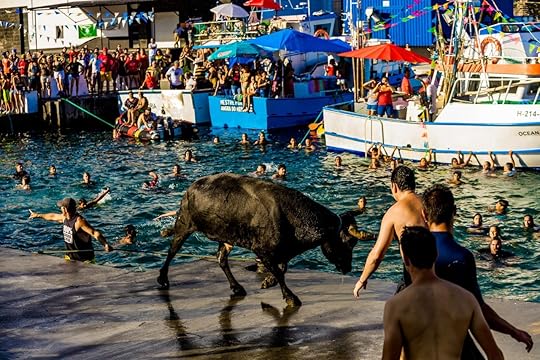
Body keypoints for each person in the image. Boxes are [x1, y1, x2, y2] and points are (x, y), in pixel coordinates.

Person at [422, 184, 533, 356]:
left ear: (423, 214)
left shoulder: (414, 256)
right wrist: (513, 331)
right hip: (456, 342)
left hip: (420, 341)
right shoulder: (462, 256)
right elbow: (478, 309)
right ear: (455, 211)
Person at [382, 226, 504, 360]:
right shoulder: (466, 299)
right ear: (435, 255)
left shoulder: (396, 306)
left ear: (405, 259)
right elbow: (495, 355)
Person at [353, 166, 426, 297]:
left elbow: (377, 255)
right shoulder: (429, 204)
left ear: (394, 187)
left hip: (412, 275)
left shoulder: (393, 213)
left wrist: (362, 279)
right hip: (438, 271)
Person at [29, 197, 113, 262]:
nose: (60, 208)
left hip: (85, 260)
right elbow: (52, 216)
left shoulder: (79, 221)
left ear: (65, 209)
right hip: (70, 257)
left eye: (61, 207)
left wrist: (105, 244)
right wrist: (37, 215)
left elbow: (94, 233)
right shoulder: (64, 218)